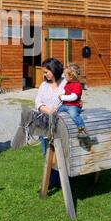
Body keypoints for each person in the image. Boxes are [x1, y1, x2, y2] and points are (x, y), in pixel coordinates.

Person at [35, 58, 66, 189]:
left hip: (60, 124)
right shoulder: (44, 85)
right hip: (44, 122)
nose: (44, 74)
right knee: (46, 151)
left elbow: (73, 100)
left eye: (47, 71)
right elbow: (37, 101)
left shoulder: (66, 84)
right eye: (44, 72)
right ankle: (53, 179)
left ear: (54, 70)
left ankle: (63, 178)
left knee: (61, 152)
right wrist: (48, 111)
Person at [58, 64, 89, 139]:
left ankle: (82, 130)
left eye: (65, 75)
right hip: (65, 105)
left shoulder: (77, 85)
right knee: (57, 112)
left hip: (73, 106)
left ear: (71, 77)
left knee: (74, 115)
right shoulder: (68, 83)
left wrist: (62, 97)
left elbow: (73, 97)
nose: (64, 76)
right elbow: (65, 89)